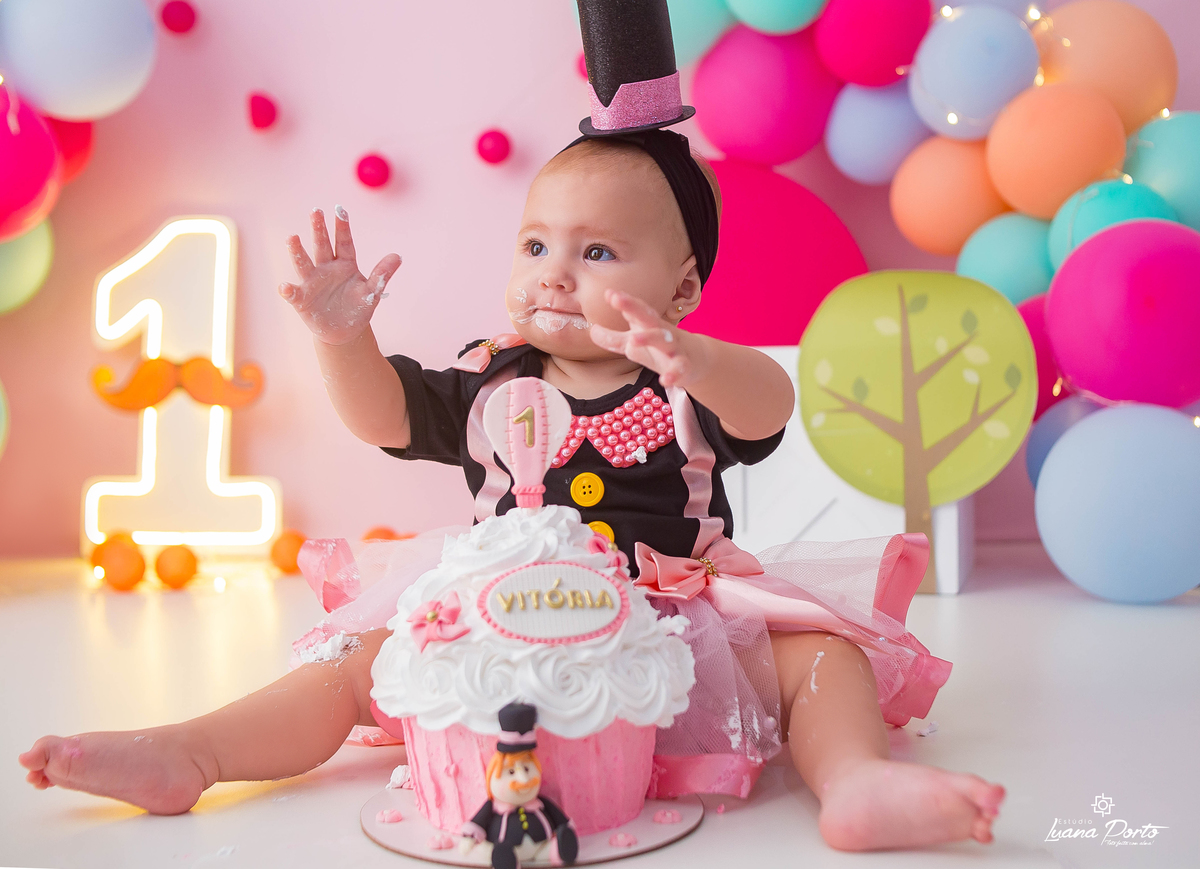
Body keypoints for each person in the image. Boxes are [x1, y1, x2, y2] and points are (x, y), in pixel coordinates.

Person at [20, 129, 1004, 852]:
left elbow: (768, 407)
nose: (555, 274)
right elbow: (386, 416)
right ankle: (192, 749)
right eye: (537, 246)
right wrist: (343, 340)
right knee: (359, 663)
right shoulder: (493, 379)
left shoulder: (684, 380)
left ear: (681, 289)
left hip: (672, 633)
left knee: (821, 654)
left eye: (597, 252)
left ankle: (854, 781)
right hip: (497, 626)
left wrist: (694, 356)